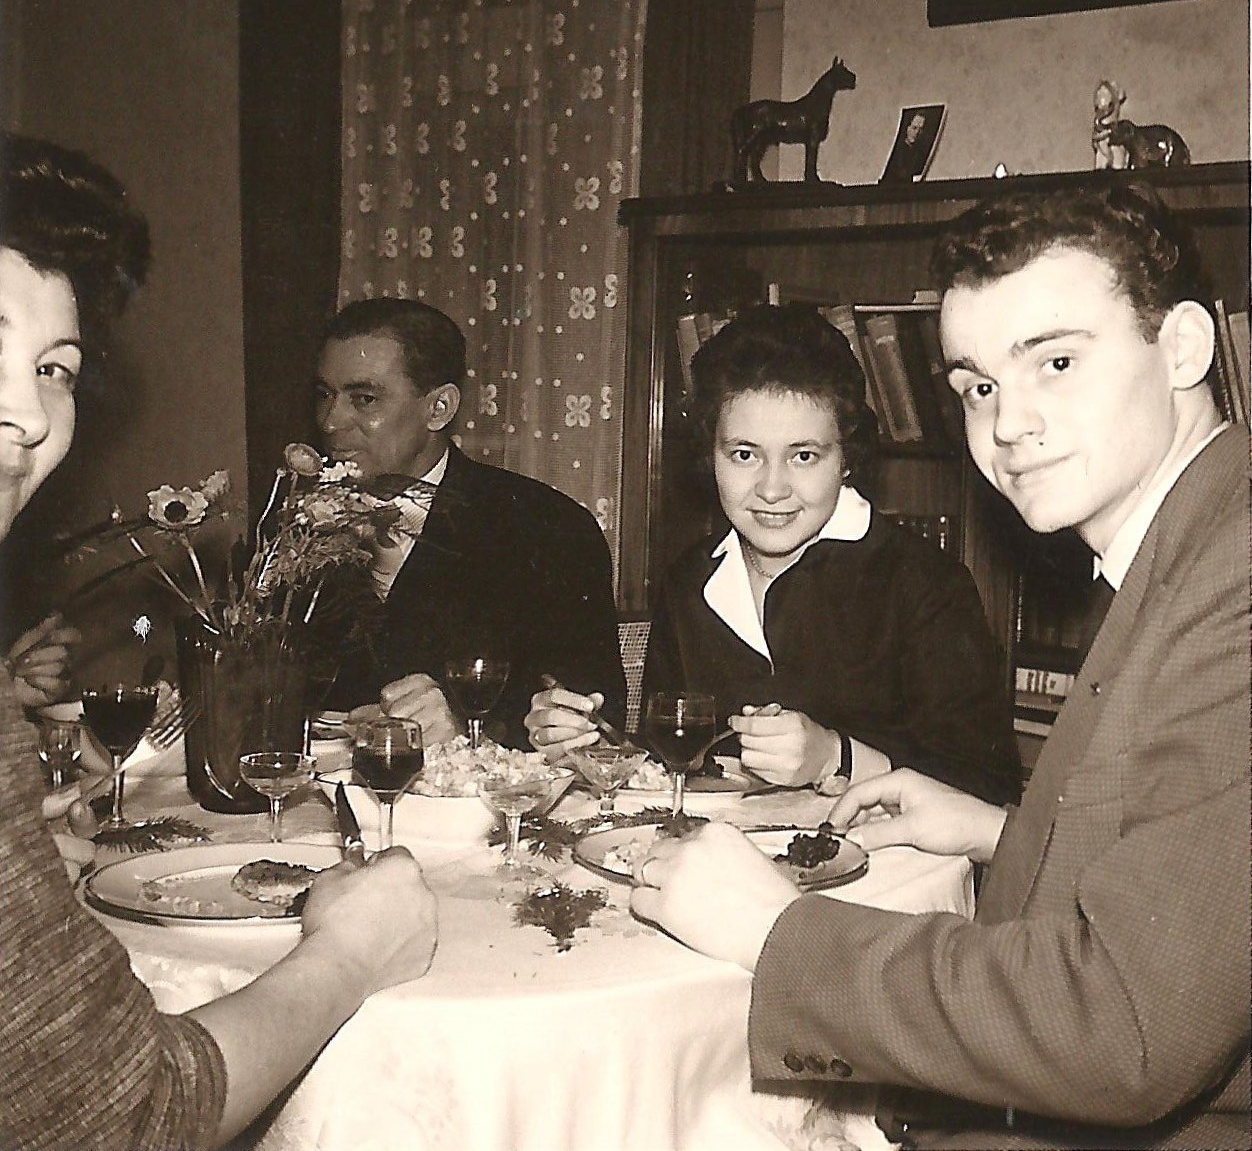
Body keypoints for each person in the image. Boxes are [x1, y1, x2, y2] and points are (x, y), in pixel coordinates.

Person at [630, 182, 1250, 1149]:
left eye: (1055, 361)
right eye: (978, 386)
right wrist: (998, 830)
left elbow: (1122, 1032)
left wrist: (773, 931)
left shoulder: (1234, 581)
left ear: (1181, 347)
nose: (1008, 424)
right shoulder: (1187, 551)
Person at [0, 131, 438, 1150]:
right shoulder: (282, 523)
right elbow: (127, 1116)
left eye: (54, 367)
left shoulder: (540, 524)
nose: (28, 412)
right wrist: (352, 955)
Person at [529, 304, 1021, 808]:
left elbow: (990, 789)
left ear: (846, 460)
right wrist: (587, 745)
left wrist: (836, 757)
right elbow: (673, 768)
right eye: (744, 454)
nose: (771, 488)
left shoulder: (925, 584)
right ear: (710, 455)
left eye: (803, 456)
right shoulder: (688, 582)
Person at [315, 296, 626, 750]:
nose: (331, 421)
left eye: (364, 400)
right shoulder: (292, 524)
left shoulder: (548, 528)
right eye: (325, 395)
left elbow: (593, 720)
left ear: (439, 408)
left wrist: (469, 729)